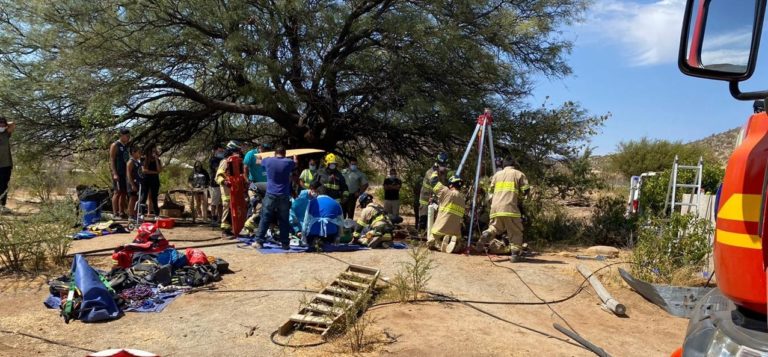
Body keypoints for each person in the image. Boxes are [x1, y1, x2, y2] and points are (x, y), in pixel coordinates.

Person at [480, 157, 530, 262]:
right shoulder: (519, 174)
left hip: (495, 208)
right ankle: (515, 255)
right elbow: (526, 190)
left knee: (495, 227)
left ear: (504, 166)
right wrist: (519, 197)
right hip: (510, 208)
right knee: (515, 231)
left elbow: (490, 191)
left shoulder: (496, 175)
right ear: (514, 165)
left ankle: (487, 233)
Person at [253, 146, 296, 250]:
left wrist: (259, 156)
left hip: (271, 194)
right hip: (284, 195)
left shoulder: (268, 161)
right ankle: (285, 244)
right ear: (285, 154)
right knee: (284, 220)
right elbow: (295, 163)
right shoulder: (288, 162)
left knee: (265, 218)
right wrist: (295, 156)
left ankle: (259, 241)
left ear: (275, 153)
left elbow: (258, 162)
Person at [302, 182, 344, 252]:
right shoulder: (336, 203)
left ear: (317, 193)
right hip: (331, 231)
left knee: (312, 236)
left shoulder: (312, 202)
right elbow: (341, 222)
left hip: (314, 231)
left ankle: (315, 241)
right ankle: (327, 241)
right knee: (332, 228)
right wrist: (338, 237)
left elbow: (306, 220)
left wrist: (304, 237)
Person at [429, 175, 465, 253]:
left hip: (440, 230)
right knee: (456, 240)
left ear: (451, 185)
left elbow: (433, 181)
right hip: (455, 233)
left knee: (431, 241)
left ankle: (438, 244)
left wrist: (436, 169)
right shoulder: (462, 199)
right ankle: (453, 245)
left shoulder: (446, 192)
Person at [215, 141, 243, 238]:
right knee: (227, 208)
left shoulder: (235, 161)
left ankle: (230, 229)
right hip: (227, 189)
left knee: (233, 210)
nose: (238, 153)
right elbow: (218, 176)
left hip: (234, 189)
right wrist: (225, 182)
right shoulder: (225, 161)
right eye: (236, 150)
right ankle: (225, 231)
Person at [418, 152, 451, 231]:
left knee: (434, 220)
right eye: (442, 165)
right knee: (424, 219)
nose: (444, 167)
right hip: (425, 200)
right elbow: (435, 183)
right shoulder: (430, 172)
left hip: (435, 200)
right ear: (437, 163)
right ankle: (421, 235)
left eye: (445, 165)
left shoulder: (443, 173)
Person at [109, 128, 131, 218]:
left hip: (125, 172)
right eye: (127, 136)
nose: (128, 137)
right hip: (118, 172)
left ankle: (121, 212)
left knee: (124, 192)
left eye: (129, 136)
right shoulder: (115, 145)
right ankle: (115, 213)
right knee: (117, 192)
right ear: (121, 135)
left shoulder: (127, 146)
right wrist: (114, 173)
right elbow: (112, 159)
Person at [140, 143, 162, 216]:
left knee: (154, 197)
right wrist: (154, 172)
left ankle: (156, 214)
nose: (153, 153)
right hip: (146, 179)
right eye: (152, 151)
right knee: (144, 196)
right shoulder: (143, 159)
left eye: (154, 151)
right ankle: (142, 213)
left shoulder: (158, 160)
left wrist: (156, 159)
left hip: (155, 180)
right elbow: (144, 170)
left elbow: (159, 170)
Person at [0, 117, 15, 213]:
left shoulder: (6, 134)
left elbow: (13, 124)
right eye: (0, 123)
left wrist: (5, 125)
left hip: (6, 164)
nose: (1, 125)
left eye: (3, 123)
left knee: (4, 185)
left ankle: (2, 206)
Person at [208, 144, 225, 226]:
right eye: (219, 151)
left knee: (221, 203)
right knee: (214, 202)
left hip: (223, 183)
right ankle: (213, 218)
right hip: (215, 184)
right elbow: (217, 169)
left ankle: (220, 218)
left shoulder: (223, 159)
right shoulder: (213, 159)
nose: (221, 152)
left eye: (222, 151)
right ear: (215, 151)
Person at [126, 146, 143, 219]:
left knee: (136, 198)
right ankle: (130, 214)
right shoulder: (131, 162)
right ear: (133, 153)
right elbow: (128, 174)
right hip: (132, 183)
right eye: (138, 153)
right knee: (132, 198)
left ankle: (135, 214)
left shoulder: (137, 162)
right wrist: (132, 184)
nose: (139, 154)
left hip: (137, 182)